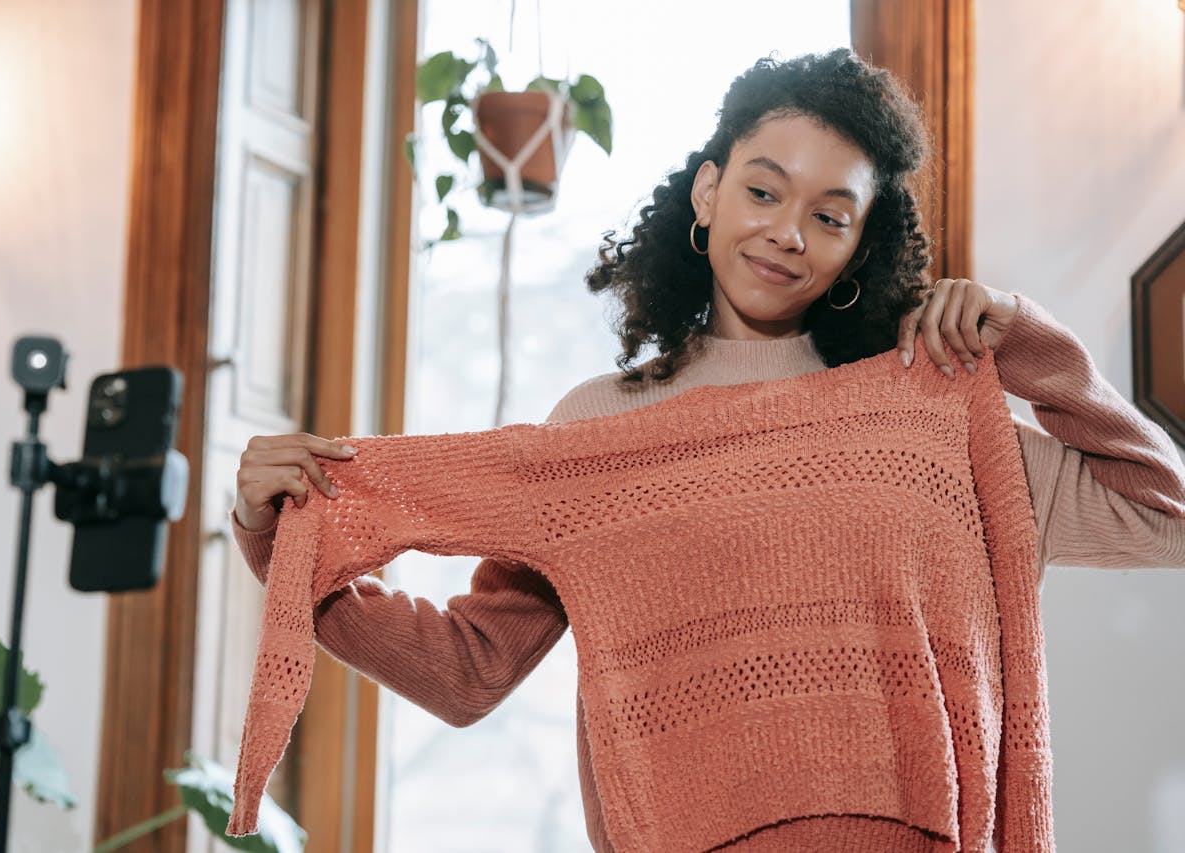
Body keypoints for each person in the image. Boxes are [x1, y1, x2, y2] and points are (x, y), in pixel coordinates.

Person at [231, 50, 1185, 851]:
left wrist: (1028, 341)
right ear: (709, 187)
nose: (785, 232)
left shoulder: (925, 419)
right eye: (765, 189)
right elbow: (470, 671)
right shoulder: (599, 431)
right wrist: (284, 547)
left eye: (829, 214)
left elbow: (1164, 514)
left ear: (861, 242)